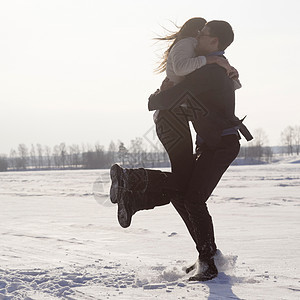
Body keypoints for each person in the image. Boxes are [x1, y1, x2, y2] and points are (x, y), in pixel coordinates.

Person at [110, 20, 252, 281]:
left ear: (215, 42)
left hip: (220, 145)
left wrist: (155, 96)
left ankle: (208, 261)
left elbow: (164, 100)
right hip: (211, 143)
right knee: (183, 193)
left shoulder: (209, 73)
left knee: (193, 198)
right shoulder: (215, 67)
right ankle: (205, 256)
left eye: (203, 35)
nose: (197, 38)